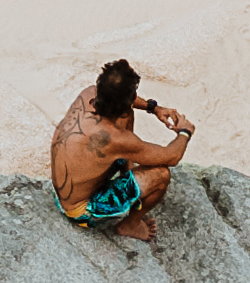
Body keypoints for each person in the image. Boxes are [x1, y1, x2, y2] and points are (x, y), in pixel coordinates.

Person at [50, 57, 193, 244]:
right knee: (161, 175)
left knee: (126, 114)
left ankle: (127, 171)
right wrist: (185, 132)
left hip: (68, 186)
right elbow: (172, 157)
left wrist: (154, 107)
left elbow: (127, 103)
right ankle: (129, 225)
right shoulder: (116, 138)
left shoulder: (88, 94)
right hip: (81, 211)